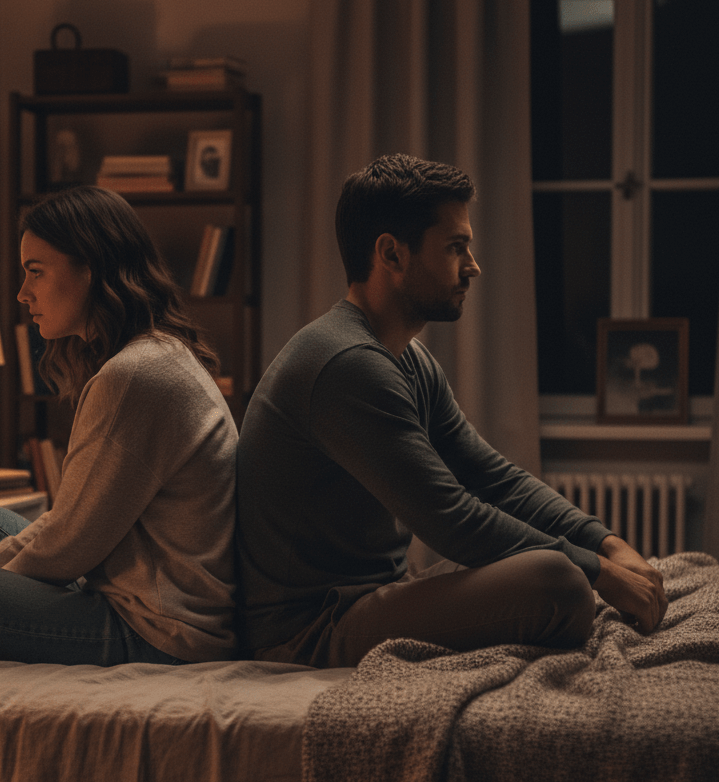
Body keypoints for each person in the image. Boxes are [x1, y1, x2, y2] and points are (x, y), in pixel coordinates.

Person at [235, 153, 667, 668]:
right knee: (561, 586)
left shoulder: (407, 358)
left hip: (377, 592)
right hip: (309, 629)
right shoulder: (346, 365)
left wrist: (609, 544)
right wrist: (598, 572)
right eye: (455, 247)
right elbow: (453, 520)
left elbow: (493, 478)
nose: (473, 266)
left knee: (557, 570)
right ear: (391, 255)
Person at [0, 185, 237, 665]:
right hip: (134, 594)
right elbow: (73, 528)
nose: (22, 293)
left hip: (156, 632)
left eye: (35, 272)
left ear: (91, 270)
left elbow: (69, 545)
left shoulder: (135, 375)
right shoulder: (154, 355)